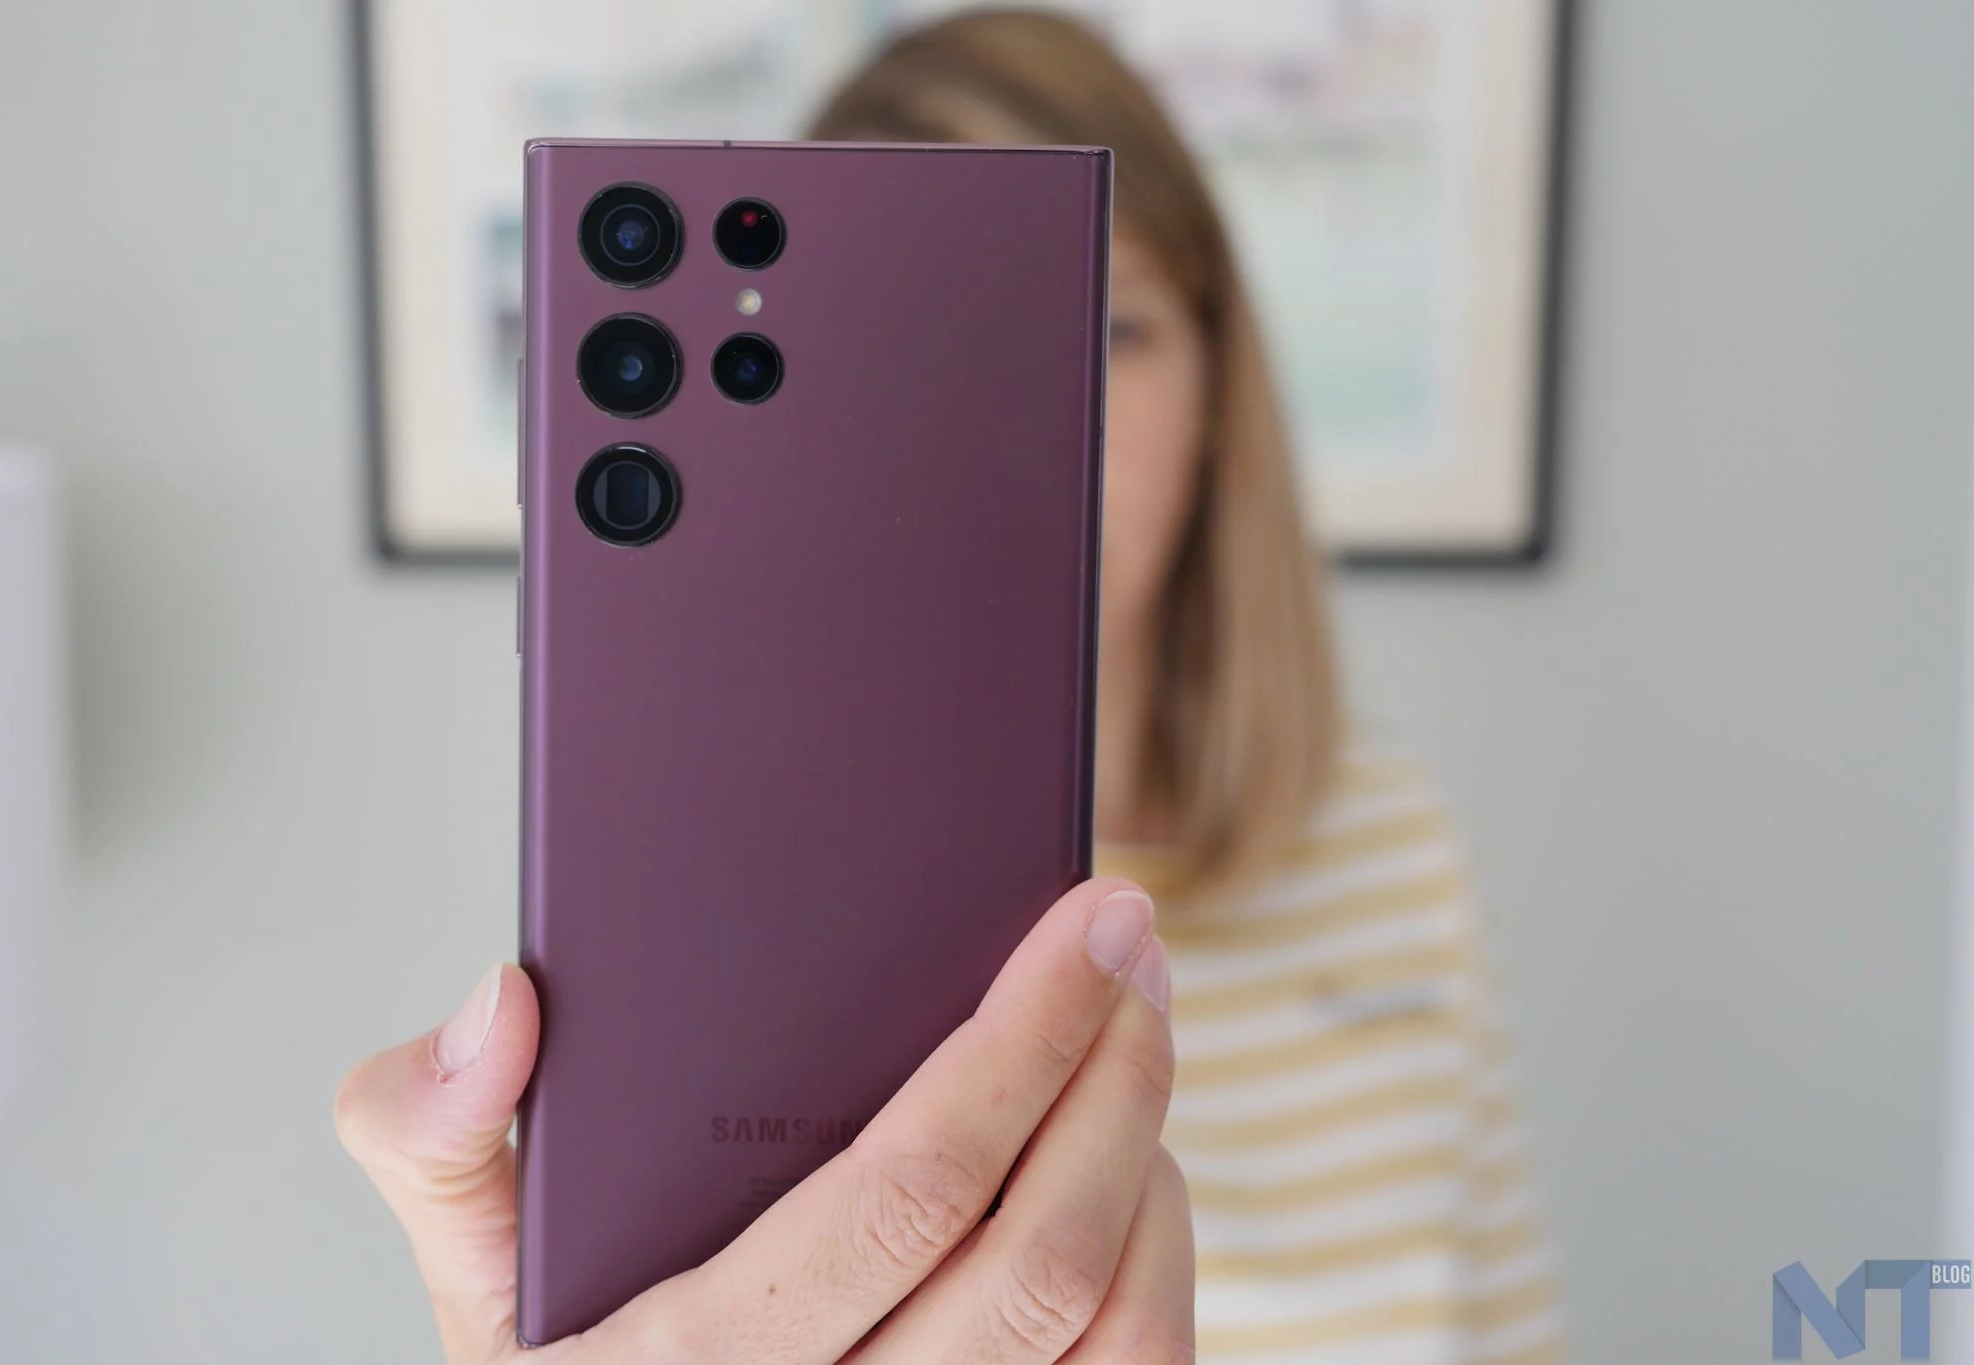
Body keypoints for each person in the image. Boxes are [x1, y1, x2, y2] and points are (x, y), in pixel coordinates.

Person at [338, 9, 1564, 1363]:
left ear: (1222, 388)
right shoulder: (665, 909)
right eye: (918, 347)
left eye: (1108, 325)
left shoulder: (1392, 844)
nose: (1029, 411)